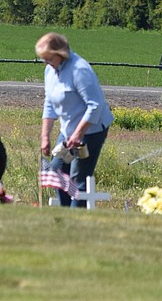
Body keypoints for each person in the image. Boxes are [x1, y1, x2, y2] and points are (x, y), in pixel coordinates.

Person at [35, 32, 114, 208]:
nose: (45, 62)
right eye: (43, 59)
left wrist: (79, 134)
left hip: (91, 130)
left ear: (60, 53)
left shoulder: (80, 70)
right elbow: (49, 102)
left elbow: (96, 105)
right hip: (68, 130)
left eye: (48, 58)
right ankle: (65, 211)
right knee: (56, 170)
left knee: (78, 178)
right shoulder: (50, 70)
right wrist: (45, 137)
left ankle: (75, 217)